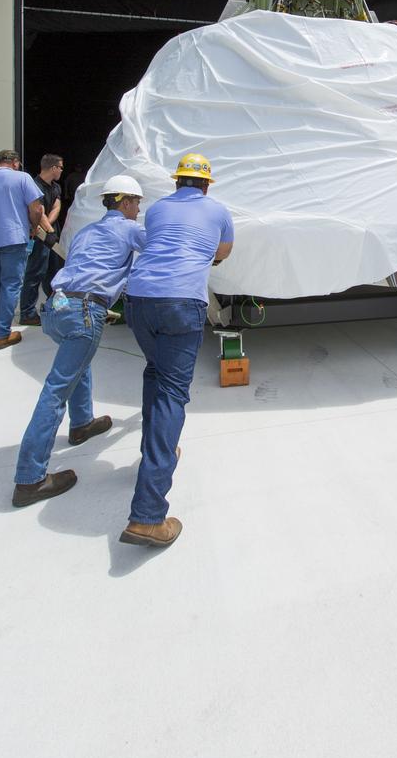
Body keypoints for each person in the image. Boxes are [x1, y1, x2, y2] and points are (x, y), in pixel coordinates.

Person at [121, 152, 234, 548]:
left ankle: (158, 450)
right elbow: (222, 252)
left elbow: (158, 242)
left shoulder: (156, 210)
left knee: (155, 374)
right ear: (206, 184)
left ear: (177, 182)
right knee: (172, 394)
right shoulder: (218, 211)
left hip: (137, 301)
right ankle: (148, 516)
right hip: (181, 303)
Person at [12, 175, 146, 507]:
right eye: (138, 203)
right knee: (56, 390)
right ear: (126, 202)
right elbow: (163, 248)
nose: (139, 210)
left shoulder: (87, 232)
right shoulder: (129, 229)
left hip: (57, 309)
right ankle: (30, 479)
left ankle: (82, 423)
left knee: (77, 363)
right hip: (85, 311)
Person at [0, 149, 44, 351]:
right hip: (13, 238)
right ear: (15, 163)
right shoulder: (22, 178)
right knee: (11, 285)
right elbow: (37, 208)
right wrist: (34, 227)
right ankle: (2, 334)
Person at [19, 153, 64, 325]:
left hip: (50, 235)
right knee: (35, 273)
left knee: (56, 273)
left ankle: (58, 307)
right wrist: (48, 230)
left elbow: (56, 207)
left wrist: (51, 230)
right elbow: (39, 211)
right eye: (60, 167)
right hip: (39, 237)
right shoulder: (34, 185)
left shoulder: (55, 187)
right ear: (53, 168)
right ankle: (27, 313)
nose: (61, 170)